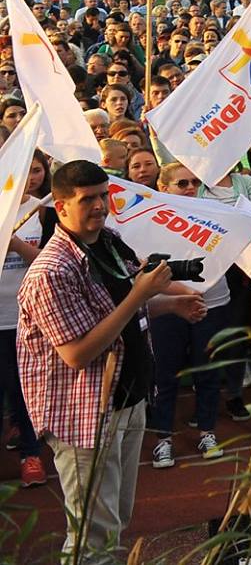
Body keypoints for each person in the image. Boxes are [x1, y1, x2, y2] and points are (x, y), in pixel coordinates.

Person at [18, 160, 207, 565]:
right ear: (62, 207)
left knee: (115, 522)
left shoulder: (108, 241)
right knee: (92, 536)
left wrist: (171, 304)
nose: (100, 205)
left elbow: (122, 311)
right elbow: (78, 352)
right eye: (88, 199)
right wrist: (139, 296)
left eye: (104, 195)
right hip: (84, 415)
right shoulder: (51, 272)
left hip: (127, 400)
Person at [145, 161, 231, 467]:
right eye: (182, 183)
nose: (191, 188)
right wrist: (180, 293)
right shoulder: (150, 220)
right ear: (163, 187)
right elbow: (146, 265)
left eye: (195, 182)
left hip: (213, 304)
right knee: (165, 375)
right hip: (167, 306)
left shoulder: (216, 215)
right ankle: (163, 439)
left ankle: (207, 431)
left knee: (208, 371)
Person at [1, 149, 51, 488]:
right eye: (22, 170)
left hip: (24, 318)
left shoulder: (44, 212)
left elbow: (49, 262)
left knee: (23, 390)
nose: (29, 177)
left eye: (35, 170)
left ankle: (30, 455)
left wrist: (16, 245)